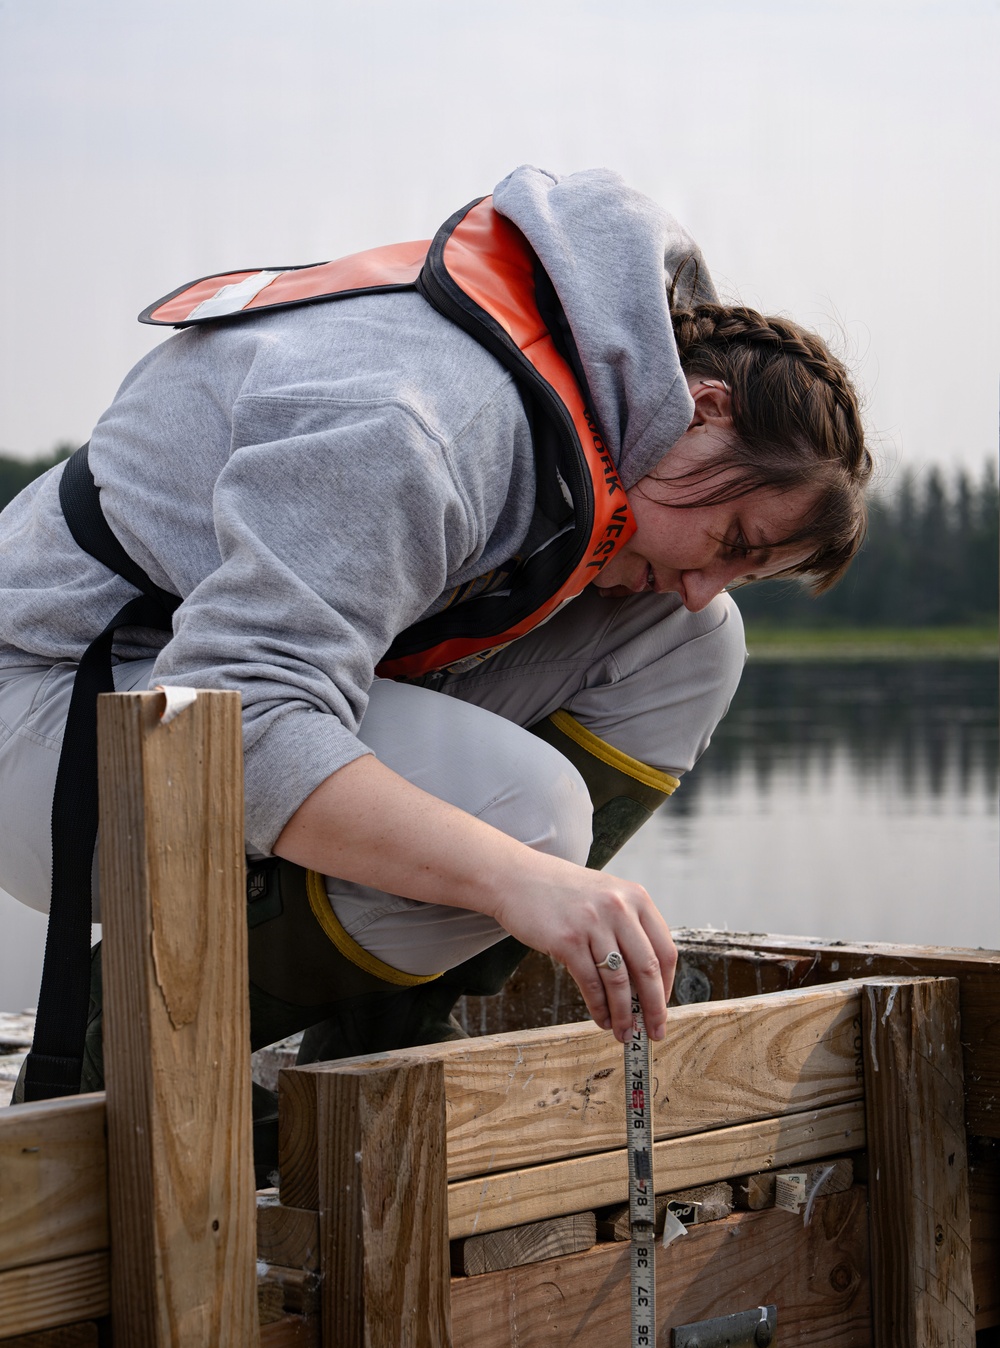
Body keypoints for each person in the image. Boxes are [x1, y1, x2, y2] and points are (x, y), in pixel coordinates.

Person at [0, 166, 870, 1172]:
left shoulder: (591, 405)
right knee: (528, 817)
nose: (701, 582)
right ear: (703, 408)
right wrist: (516, 880)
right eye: (729, 539)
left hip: (192, 689)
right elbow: (237, 716)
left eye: (745, 571)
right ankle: (126, 1039)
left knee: (696, 644)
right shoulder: (426, 423)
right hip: (52, 710)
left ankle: (383, 1036)